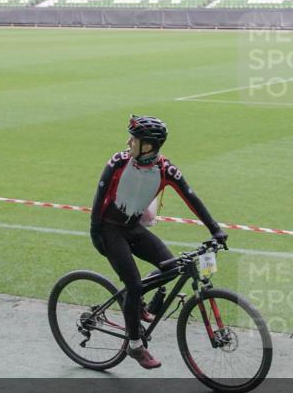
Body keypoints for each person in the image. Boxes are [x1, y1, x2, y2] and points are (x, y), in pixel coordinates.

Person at [91, 115, 226, 369]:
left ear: (149, 146)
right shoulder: (118, 162)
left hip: (133, 228)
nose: (129, 142)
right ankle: (134, 346)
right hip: (110, 230)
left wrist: (215, 230)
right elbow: (99, 196)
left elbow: (191, 198)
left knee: (172, 268)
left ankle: (138, 301)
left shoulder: (165, 170)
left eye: (135, 139)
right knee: (133, 284)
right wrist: (95, 231)